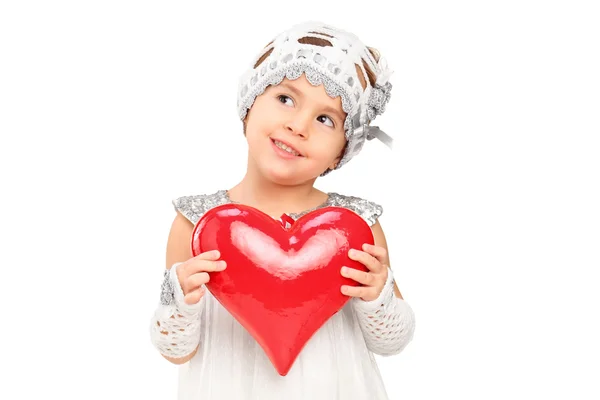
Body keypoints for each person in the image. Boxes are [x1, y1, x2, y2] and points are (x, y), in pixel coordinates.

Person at [149, 21, 416, 400]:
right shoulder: (196, 224)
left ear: (343, 148)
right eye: (285, 99)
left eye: (326, 119)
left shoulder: (355, 229)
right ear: (249, 104)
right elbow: (177, 352)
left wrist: (378, 296)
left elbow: (392, 341)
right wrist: (180, 302)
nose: (298, 125)